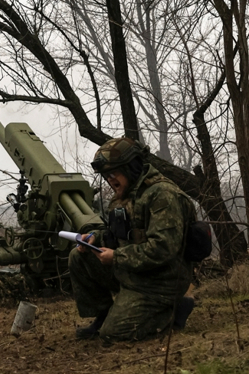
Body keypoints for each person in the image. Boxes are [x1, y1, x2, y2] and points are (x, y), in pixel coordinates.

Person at [68, 137, 195, 343]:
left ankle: (175, 309)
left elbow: (162, 248)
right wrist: (94, 238)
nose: (109, 179)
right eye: (106, 175)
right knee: (78, 256)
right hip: (134, 271)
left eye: (113, 173)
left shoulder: (163, 195)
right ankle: (104, 315)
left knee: (115, 334)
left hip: (161, 281)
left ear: (130, 167)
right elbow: (116, 235)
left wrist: (116, 257)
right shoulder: (121, 197)